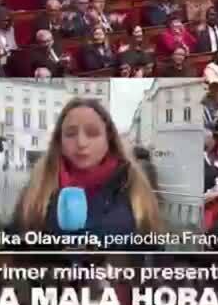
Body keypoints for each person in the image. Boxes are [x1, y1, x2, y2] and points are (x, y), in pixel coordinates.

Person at [10, 98, 162, 245]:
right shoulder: (37, 186)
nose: (81, 143)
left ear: (108, 138)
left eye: (93, 133)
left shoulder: (134, 184)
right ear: (59, 140)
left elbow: (153, 254)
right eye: (70, 134)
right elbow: (13, 248)